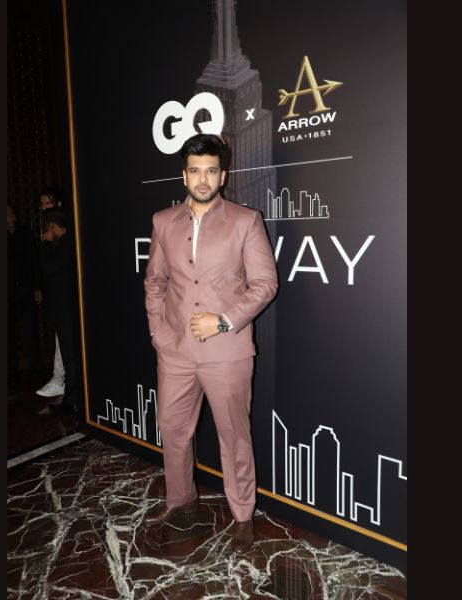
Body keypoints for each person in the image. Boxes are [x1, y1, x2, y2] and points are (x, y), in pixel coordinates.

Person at [142, 133, 278, 553]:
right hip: (176, 352)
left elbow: (264, 284)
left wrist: (222, 321)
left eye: (211, 171)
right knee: (173, 430)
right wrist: (159, 333)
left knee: (234, 436)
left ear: (223, 175)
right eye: (195, 170)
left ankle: (243, 516)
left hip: (227, 352)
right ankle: (181, 501)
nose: (203, 179)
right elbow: (155, 283)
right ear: (184, 175)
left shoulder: (245, 221)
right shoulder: (163, 222)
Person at [38, 206, 81, 418]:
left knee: (70, 358)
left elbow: (47, 267)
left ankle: (73, 401)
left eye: (48, 228)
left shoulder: (65, 245)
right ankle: (73, 399)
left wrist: (45, 243)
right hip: (66, 311)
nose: (46, 233)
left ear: (54, 227)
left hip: (66, 312)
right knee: (69, 356)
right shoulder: (67, 243)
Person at [8, 202, 43, 395]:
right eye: (7, 214)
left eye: (12, 213)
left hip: (26, 289)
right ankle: (11, 374)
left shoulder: (25, 234)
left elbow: (34, 261)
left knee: (30, 330)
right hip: (7, 293)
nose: (12, 217)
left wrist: (37, 286)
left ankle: (35, 369)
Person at [35, 189, 66, 398]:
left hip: (67, 297)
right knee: (61, 339)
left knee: (65, 341)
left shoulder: (63, 233)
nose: (45, 208)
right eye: (42, 204)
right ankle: (60, 379)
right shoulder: (49, 231)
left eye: (49, 203)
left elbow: (50, 265)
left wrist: (46, 243)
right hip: (58, 298)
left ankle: (60, 379)